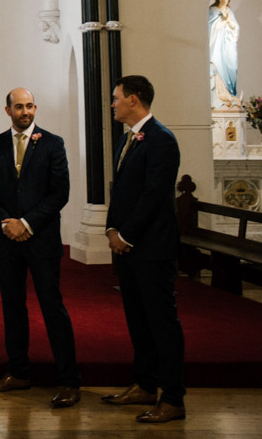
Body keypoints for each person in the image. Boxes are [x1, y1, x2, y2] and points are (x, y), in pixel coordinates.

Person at [0, 88, 81, 408]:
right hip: (7, 241)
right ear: (7, 110)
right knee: (12, 307)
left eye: (30, 106)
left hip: (42, 239)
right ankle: (18, 372)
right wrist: (7, 221)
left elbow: (59, 193)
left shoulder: (52, 143)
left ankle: (69, 381)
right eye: (19, 107)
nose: (26, 111)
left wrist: (27, 223)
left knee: (52, 307)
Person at [104, 75, 186, 423]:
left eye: (116, 98)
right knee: (138, 319)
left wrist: (126, 234)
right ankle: (144, 384)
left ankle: (173, 398)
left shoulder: (161, 139)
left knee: (161, 323)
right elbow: (121, 190)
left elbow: (154, 195)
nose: (112, 104)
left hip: (151, 248)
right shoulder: (131, 139)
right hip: (128, 248)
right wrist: (110, 228)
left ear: (134, 100)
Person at [208, 0, 239, 108]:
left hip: (228, 46)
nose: (225, 0)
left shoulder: (229, 11)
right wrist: (220, 23)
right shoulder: (213, 11)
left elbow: (235, 28)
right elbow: (209, 27)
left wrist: (229, 22)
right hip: (216, 45)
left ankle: (229, 94)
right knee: (216, 66)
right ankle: (219, 97)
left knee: (231, 66)